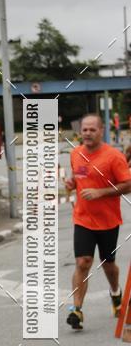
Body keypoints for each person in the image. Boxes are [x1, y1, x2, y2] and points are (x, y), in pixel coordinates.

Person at [64, 114, 131, 330]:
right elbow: (78, 177)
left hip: (108, 221)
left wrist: (100, 192)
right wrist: (71, 183)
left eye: (92, 129)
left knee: (108, 264)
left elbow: (127, 185)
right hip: (83, 219)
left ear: (101, 131)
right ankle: (76, 309)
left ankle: (115, 292)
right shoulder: (75, 153)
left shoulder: (114, 156)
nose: (88, 133)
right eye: (84, 129)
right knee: (83, 262)